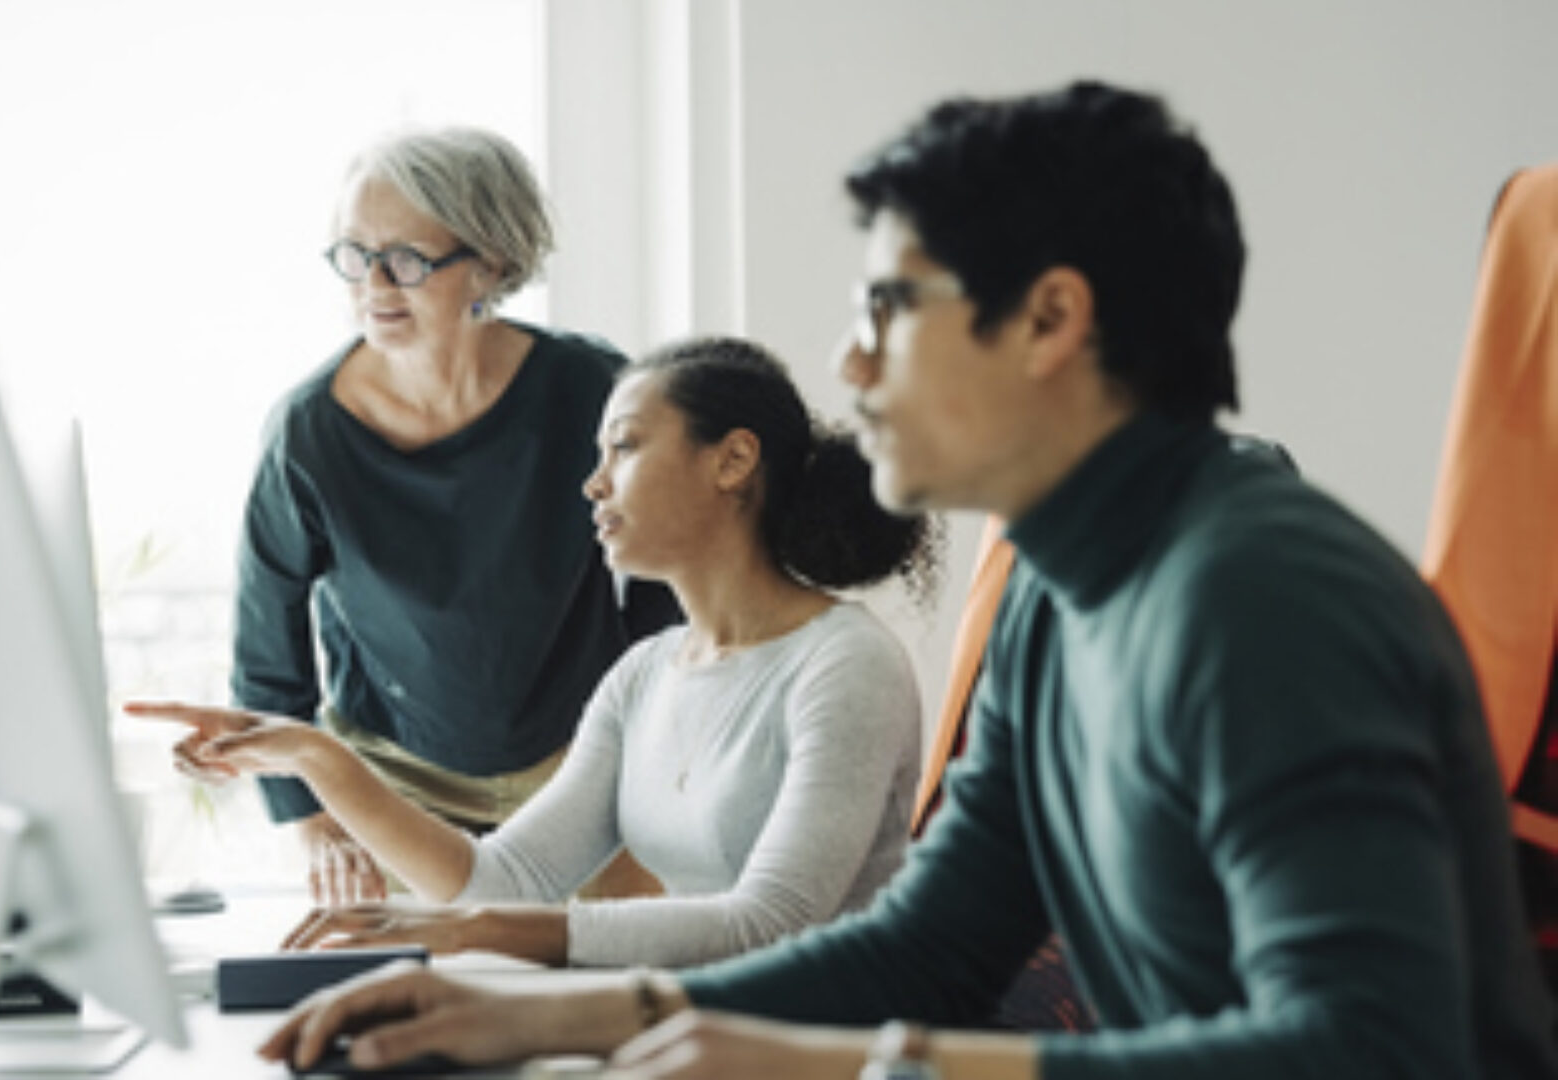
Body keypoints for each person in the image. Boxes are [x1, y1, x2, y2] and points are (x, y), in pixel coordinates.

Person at [254, 82, 1558, 1080]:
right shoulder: (1059, 591)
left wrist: (857, 1063)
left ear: (1049, 319)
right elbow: (932, 943)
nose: (850, 362)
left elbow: (1372, 1051)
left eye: (890, 307)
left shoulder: (1263, 601)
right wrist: (561, 1006)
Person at [132, 336, 939, 969]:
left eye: (623, 448)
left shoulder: (844, 663)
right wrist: (315, 758)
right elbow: (501, 879)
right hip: (690, 1035)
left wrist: (484, 932)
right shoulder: (643, 676)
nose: (593, 485)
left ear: (730, 461)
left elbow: (769, 924)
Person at [187, 127, 678, 906]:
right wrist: (310, 818)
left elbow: (667, 586)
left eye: (407, 261)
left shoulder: (591, 390)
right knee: (410, 995)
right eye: (353, 254)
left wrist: (655, 762)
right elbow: (268, 647)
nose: (373, 285)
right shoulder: (307, 434)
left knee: (584, 987)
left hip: (578, 766)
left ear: (493, 264)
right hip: (390, 781)